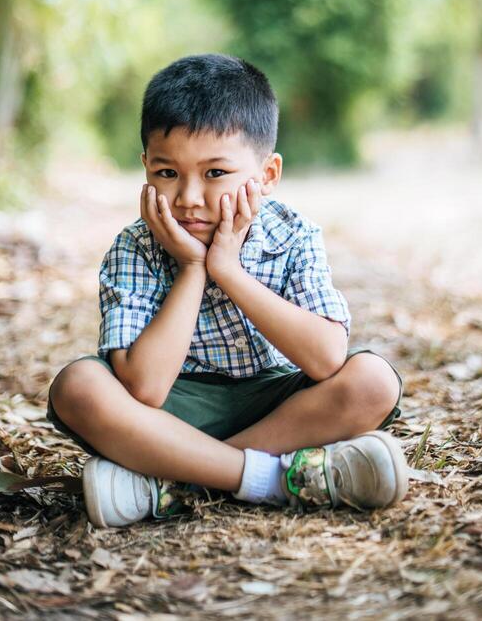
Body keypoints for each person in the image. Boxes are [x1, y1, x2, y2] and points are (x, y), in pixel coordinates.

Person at [47, 54, 408, 528]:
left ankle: (169, 481)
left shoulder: (293, 235)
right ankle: (276, 479)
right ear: (145, 168)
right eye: (167, 173)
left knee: (372, 381)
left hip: (280, 410)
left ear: (268, 175)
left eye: (215, 173)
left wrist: (228, 271)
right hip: (174, 413)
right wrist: (194, 268)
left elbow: (324, 358)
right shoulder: (136, 247)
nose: (189, 198)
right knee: (79, 388)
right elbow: (146, 389)